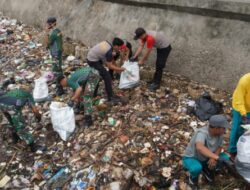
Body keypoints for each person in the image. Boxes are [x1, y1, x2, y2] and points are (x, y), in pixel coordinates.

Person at [182, 115, 230, 189]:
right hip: (193, 158)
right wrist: (216, 157)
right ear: (216, 128)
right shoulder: (202, 133)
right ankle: (192, 179)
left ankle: (207, 169)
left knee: (225, 158)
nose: (225, 130)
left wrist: (213, 158)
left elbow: (219, 146)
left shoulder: (220, 134)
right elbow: (199, 147)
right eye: (223, 128)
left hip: (207, 156)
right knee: (196, 168)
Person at [0, 87, 42, 152]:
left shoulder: (15, 91)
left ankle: (15, 138)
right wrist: (38, 117)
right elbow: (35, 111)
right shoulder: (29, 95)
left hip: (2, 104)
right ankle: (33, 146)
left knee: (10, 121)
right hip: (12, 106)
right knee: (20, 125)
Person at [87, 38, 125, 103]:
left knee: (98, 75)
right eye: (119, 47)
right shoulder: (109, 52)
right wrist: (120, 69)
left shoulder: (108, 43)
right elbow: (109, 65)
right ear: (116, 46)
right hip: (93, 61)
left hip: (92, 57)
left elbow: (111, 59)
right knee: (107, 77)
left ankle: (94, 94)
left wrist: (116, 67)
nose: (120, 49)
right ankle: (110, 98)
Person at [228, 73, 250, 159]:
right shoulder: (244, 81)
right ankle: (233, 150)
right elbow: (239, 99)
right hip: (239, 106)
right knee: (237, 128)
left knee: (247, 130)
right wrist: (244, 114)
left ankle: (243, 148)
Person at [44, 17, 64, 96]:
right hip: (58, 53)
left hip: (55, 54)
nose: (47, 25)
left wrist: (46, 32)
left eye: (48, 24)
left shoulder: (53, 34)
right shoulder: (58, 31)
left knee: (56, 70)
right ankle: (61, 85)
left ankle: (59, 88)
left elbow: (46, 42)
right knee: (59, 69)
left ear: (51, 24)